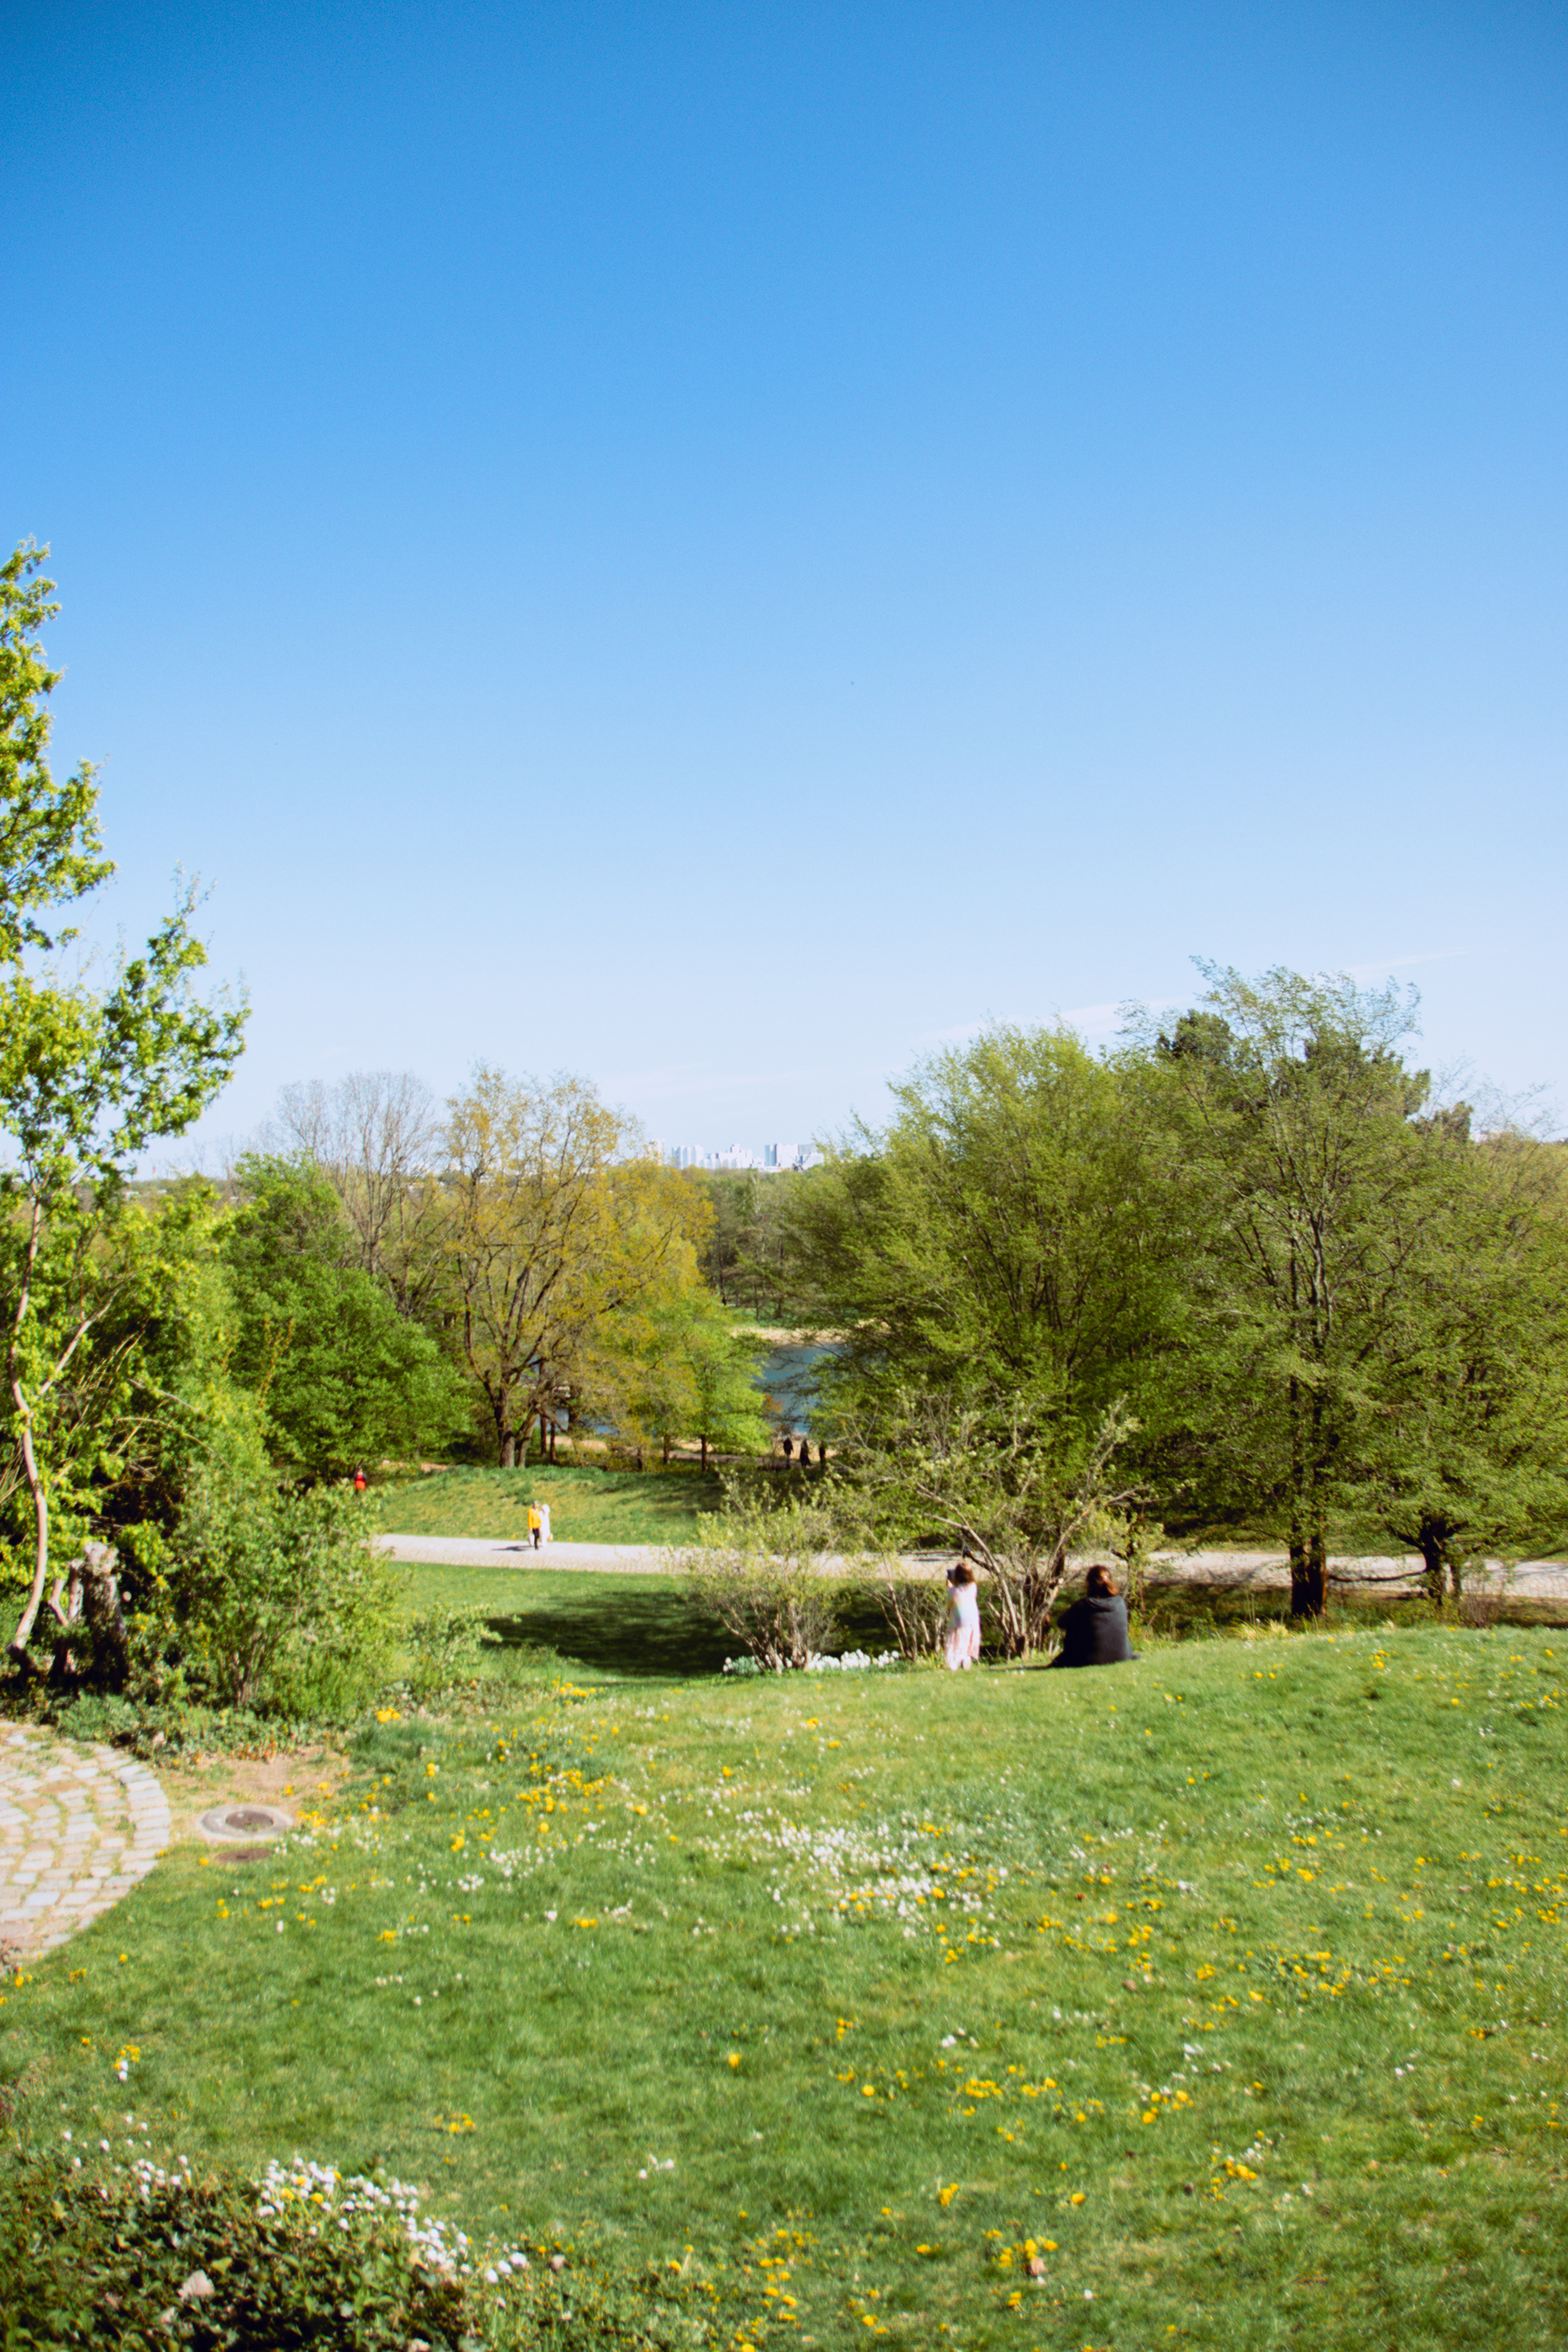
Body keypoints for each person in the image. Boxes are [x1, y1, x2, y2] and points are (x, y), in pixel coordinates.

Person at [1049, 1564, 1138, 1668]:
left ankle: (1067, 1658)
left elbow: (1061, 1623)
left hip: (1089, 1659)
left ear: (1089, 1584)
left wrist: (1070, 1611)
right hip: (1123, 1656)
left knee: (1073, 1626)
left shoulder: (1084, 1605)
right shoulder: (1120, 1602)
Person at [944, 1558, 982, 1670]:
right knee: (966, 1643)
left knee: (955, 1644)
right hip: (972, 1622)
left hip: (958, 1623)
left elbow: (948, 1604)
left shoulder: (952, 1592)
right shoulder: (973, 1587)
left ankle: (955, 1663)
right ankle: (966, 1658)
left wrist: (950, 1588)